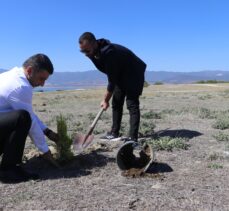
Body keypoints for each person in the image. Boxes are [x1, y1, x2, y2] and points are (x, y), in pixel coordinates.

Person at [0, 54, 59, 183]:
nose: (42, 84)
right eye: (41, 78)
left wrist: (47, 132)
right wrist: (45, 151)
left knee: (22, 117)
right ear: (30, 70)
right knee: (21, 118)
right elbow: (28, 120)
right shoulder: (21, 86)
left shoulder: (14, 75)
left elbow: (29, 114)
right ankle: (9, 170)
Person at [79, 32, 146, 142]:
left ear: (94, 44)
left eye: (87, 50)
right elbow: (112, 76)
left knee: (132, 104)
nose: (85, 54)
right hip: (121, 74)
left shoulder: (109, 53)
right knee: (117, 102)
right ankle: (114, 133)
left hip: (134, 74)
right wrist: (90, 55)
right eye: (82, 51)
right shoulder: (94, 53)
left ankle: (133, 138)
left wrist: (105, 100)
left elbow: (111, 81)